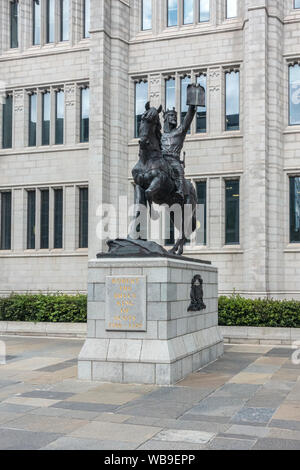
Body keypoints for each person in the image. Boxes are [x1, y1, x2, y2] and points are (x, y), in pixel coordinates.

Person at [161, 105, 196, 200]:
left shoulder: (179, 131)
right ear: (166, 118)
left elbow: (188, 119)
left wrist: (192, 107)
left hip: (173, 160)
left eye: (175, 116)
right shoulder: (160, 136)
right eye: (171, 115)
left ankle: (180, 191)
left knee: (178, 170)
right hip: (162, 161)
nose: (174, 118)